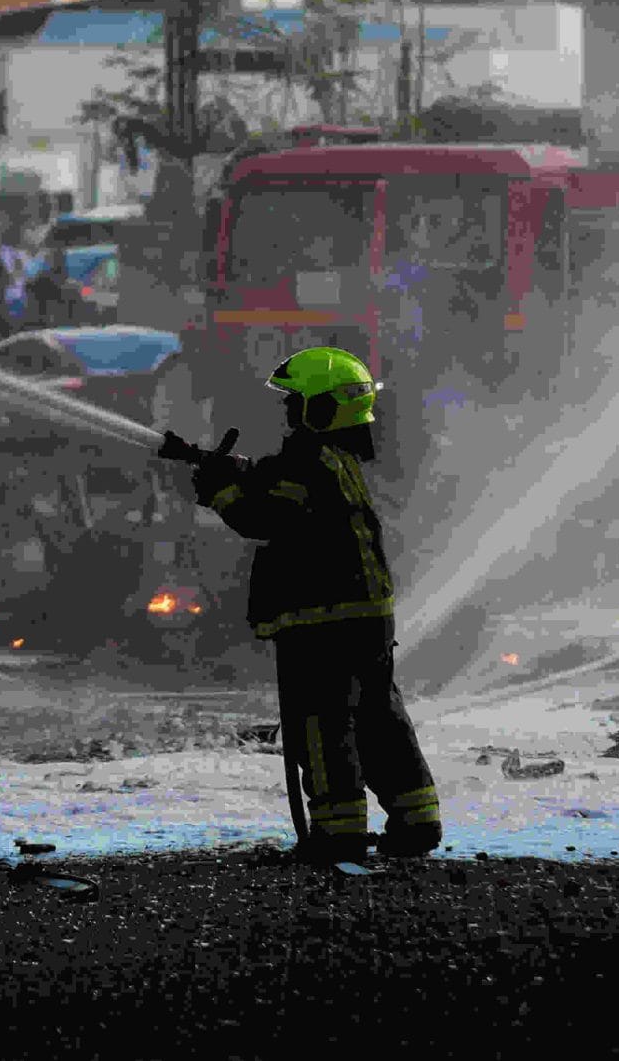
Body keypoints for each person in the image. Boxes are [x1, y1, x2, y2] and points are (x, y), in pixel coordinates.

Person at [157, 346, 442, 866]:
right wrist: (217, 463)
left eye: (295, 403)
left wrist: (220, 492)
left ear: (322, 408)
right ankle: (417, 820)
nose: (287, 413)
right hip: (367, 618)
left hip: (321, 620)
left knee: (322, 724)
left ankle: (339, 835)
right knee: (380, 720)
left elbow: (266, 518)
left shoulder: (307, 462)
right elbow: (278, 482)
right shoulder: (339, 459)